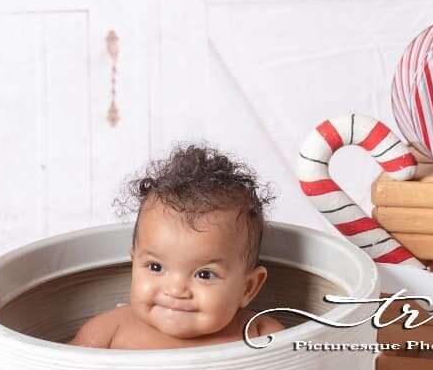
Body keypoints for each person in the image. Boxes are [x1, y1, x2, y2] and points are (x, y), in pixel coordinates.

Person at [71, 143, 284, 349]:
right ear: (134, 263)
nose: (175, 290)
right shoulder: (108, 331)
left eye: (205, 275)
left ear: (248, 287)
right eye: (156, 267)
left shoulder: (260, 335)